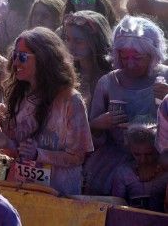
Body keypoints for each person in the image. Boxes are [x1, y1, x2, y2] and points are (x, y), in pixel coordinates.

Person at [0, 27, 94, 195]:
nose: (15, 63)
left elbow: (78, 156)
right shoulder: (18, 95)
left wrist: (39, 154)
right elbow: (17, 149)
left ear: (44, 59)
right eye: (14, 56)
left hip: (59, 192)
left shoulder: (71, 100)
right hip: (23, 189)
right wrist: (4, 141)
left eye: (22, 57)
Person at [85, 15, 168, 195]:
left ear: (153, 54)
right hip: (115, 160)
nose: (130, 63)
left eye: (137, 58)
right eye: (124, 56)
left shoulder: (165, 78)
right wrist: (100, 123)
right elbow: (88, 134)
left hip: (159, 159)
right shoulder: (107, 83)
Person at [62, 11, 112, 109]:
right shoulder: (66, 73)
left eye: (78, 41)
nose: (71, 47)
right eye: (68, 39)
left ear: (95, 41)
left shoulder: (111, 76)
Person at [111, 125, 168, 212]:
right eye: (137, 154)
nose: (143, 159)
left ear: (156, 150)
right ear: (130, 150)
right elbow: (117, 206)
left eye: (148, 154)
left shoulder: (165, 173)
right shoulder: (123, 173)